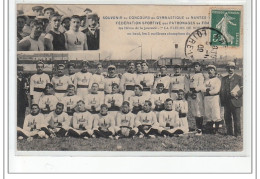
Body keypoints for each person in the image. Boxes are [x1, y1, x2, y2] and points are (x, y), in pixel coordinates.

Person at [220, 62, 243, 137]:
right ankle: (229, 132)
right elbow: (222, 90)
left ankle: (238, 134)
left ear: (234, 69)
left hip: (236, 101)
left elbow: (243, 89)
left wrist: (237, 94)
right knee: (227, 118)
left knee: (236, 118)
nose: (230, 69)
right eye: (229, 68)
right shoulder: (224, 79)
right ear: (226, 69)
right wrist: (222, 101)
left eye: (232, 68)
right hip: (226, 102)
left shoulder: (239, 78)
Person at [199, 65, 222, 134]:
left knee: (215, 113)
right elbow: (202, 88)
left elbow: (216, 90)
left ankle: (216, 130)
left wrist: (208, 91)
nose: (210, 71)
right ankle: (210, 128)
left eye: (211, 70)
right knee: (208, 112)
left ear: (215, 71)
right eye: (208, 70)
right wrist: (207, 90)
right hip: (207, 98)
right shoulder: (206, 80)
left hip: (214, 97)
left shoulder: (217, 80)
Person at [189, 62, 205, 135]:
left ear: (200, 67)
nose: (195, 68)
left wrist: (195, 91)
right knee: (194, 110)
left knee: (199, 110)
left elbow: (201, 86)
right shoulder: (192, 75)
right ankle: (197, 127)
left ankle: (200, 129)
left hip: (197, 94)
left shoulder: (201, 75)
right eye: (194, 66)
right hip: (192, 94)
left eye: (196, 66)